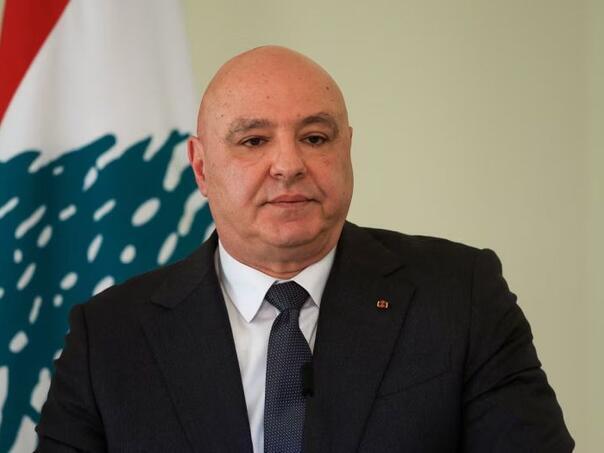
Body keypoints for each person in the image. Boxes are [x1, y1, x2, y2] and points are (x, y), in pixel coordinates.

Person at [36, 46, 574, 452]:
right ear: (201, 168)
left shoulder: (461, 295)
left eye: (315, 138)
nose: (289, 165)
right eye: (253, 141)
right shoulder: (109, 336)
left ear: (347, 151)